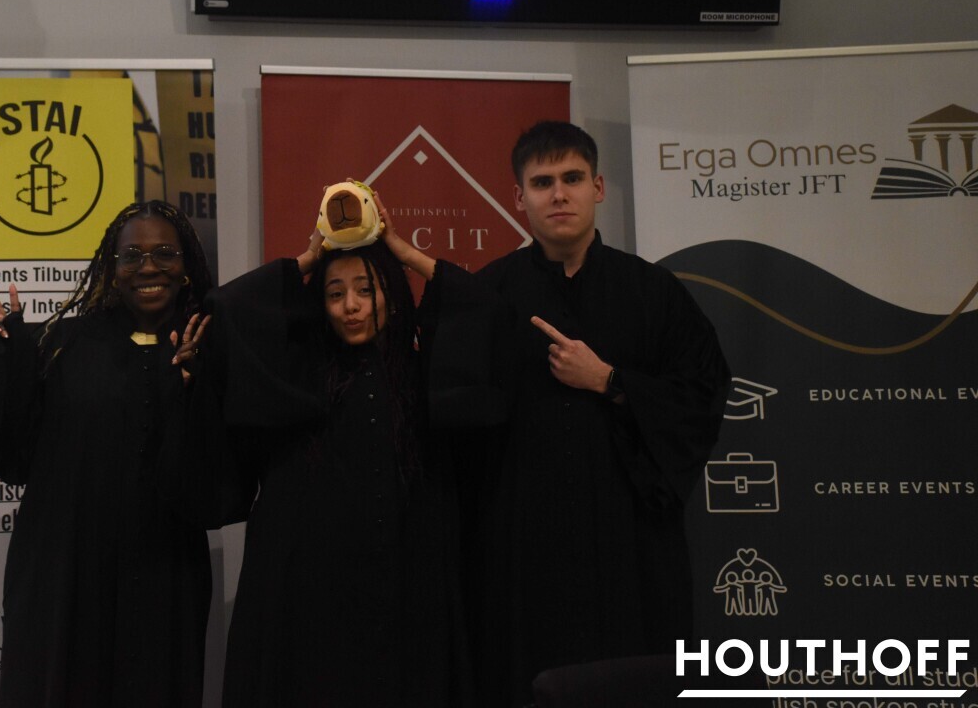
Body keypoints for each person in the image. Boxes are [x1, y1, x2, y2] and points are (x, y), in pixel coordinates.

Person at [467, 121, 731, 706]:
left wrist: (611, 381)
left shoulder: (654, 292)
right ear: (519, 197)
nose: (559, 194)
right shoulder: (487, 297)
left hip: (628, 541)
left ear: (599, 187)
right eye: (542, 183)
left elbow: (703, 392)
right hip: (522, 544)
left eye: (572, 178)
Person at [191, 195, 478, 708]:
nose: (351, 306)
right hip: (310, 594)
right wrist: (308, 258)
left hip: (406, 585)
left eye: (367, 289)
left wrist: (402, 251)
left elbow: (488, 316)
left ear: (392, 293)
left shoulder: (425, 374)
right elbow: (226, 307)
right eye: (335, 293)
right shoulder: (293, 375)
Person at [0, 200, 214, 708]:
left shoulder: (208, 349)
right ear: (111, 267)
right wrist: (3, 354)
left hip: (165, 573)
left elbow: (221, 470)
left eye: (164, 253)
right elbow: (6, 447)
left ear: (187, 266)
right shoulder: (61, 343)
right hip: (64, 574)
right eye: (132, 256)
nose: (148, 267)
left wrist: (197, 385)